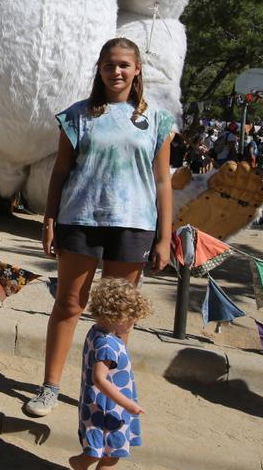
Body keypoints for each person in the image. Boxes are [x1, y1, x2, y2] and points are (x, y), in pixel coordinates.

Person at [25, 37, 174, 418]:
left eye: (124, 64)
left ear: (137, 68)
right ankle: (50, 387)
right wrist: (50, 219)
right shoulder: (77, 116)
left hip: (134, 224)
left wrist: (164, 236)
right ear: (100, 69)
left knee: (119, 314)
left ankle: (108, 390)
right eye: (109, 65)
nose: (116, 71)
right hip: (81, 219)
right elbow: (60, 172)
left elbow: (162, 182)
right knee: (69, 304)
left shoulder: (155, 120)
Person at [67, 278, 151, 470]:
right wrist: (129, 405)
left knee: (98, 449)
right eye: (131, 317)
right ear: (115, 316)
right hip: (107, 408)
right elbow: (100, 379)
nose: (134, 322)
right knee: (110, 456)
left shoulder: (97, 332)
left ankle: (80, 463)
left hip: (100, 405)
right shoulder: (106, 344)